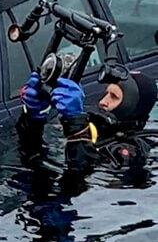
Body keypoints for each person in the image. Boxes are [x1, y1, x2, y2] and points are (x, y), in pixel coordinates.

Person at [18, 70, 157, 172]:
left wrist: (76, 124)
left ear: (131, 107)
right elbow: (32, 152)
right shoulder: (99, 127)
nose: (103, 102)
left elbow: (81, 173)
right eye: (106, 93)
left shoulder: (132, 152)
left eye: (114, 97)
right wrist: (33, 118)